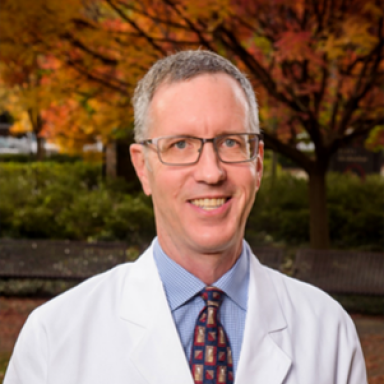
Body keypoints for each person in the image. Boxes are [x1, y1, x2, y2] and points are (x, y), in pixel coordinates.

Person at [4, 50, 367, 384]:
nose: (211, 172)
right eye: (180, 145)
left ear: (257, 163)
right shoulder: (54, 337)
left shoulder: (328, 331)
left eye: (230, 142)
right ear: (142, 167)